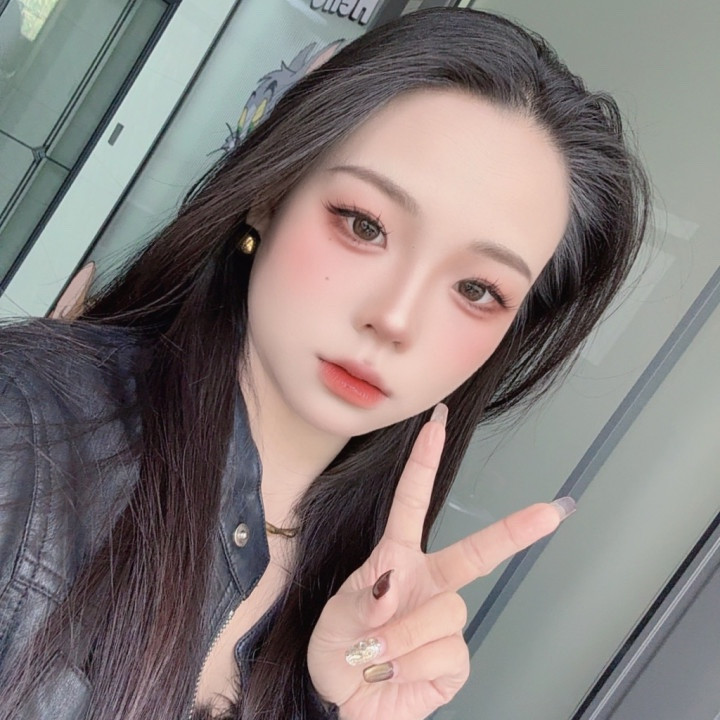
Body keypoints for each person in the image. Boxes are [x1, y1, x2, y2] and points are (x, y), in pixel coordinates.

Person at [0, 7, 650, 720]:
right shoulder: (26, 430)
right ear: (270, 194)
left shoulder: (362, 609)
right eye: (365, 225)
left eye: (476, 290)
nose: (395, 319)